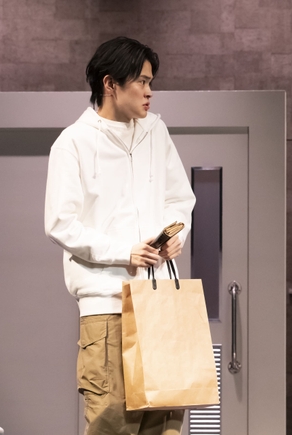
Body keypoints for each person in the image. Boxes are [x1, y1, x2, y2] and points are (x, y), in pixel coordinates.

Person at [45, 36, 196, 435]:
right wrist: (123, 252)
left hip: (159, 301)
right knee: (113, 422)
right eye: (141, 82)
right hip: (107, 305)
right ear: (110, 84)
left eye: (151, 82)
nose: (149, 92)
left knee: (166, 420)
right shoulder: (73, 143)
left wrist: (174, 233)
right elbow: (60, 223)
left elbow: (180, 198)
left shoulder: (156, 132)